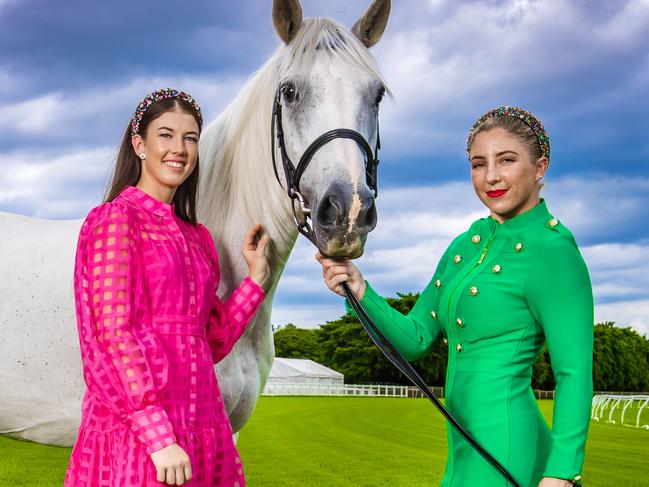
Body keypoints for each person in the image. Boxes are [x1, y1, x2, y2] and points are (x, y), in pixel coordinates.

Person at [316, 106, 593, 487]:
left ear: (540, 167)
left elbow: (573, 372)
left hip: (507, 445)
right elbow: (415, 338)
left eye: (506, 160)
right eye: (479, 164)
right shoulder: (467, 244)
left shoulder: (553, 250)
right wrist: (361, 291)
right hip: (464, 444)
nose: (491, 176)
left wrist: (561, 472)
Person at [64, 88, 270, 487]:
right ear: (139, 144)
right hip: (142, 436)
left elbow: (209, 340)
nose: (179, 148)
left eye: (190, 138)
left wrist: (255, 282)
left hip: (203, 426)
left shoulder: (198, 238)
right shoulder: (115, 220)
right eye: (166, 134)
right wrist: (158, 436)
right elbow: (112, 336)